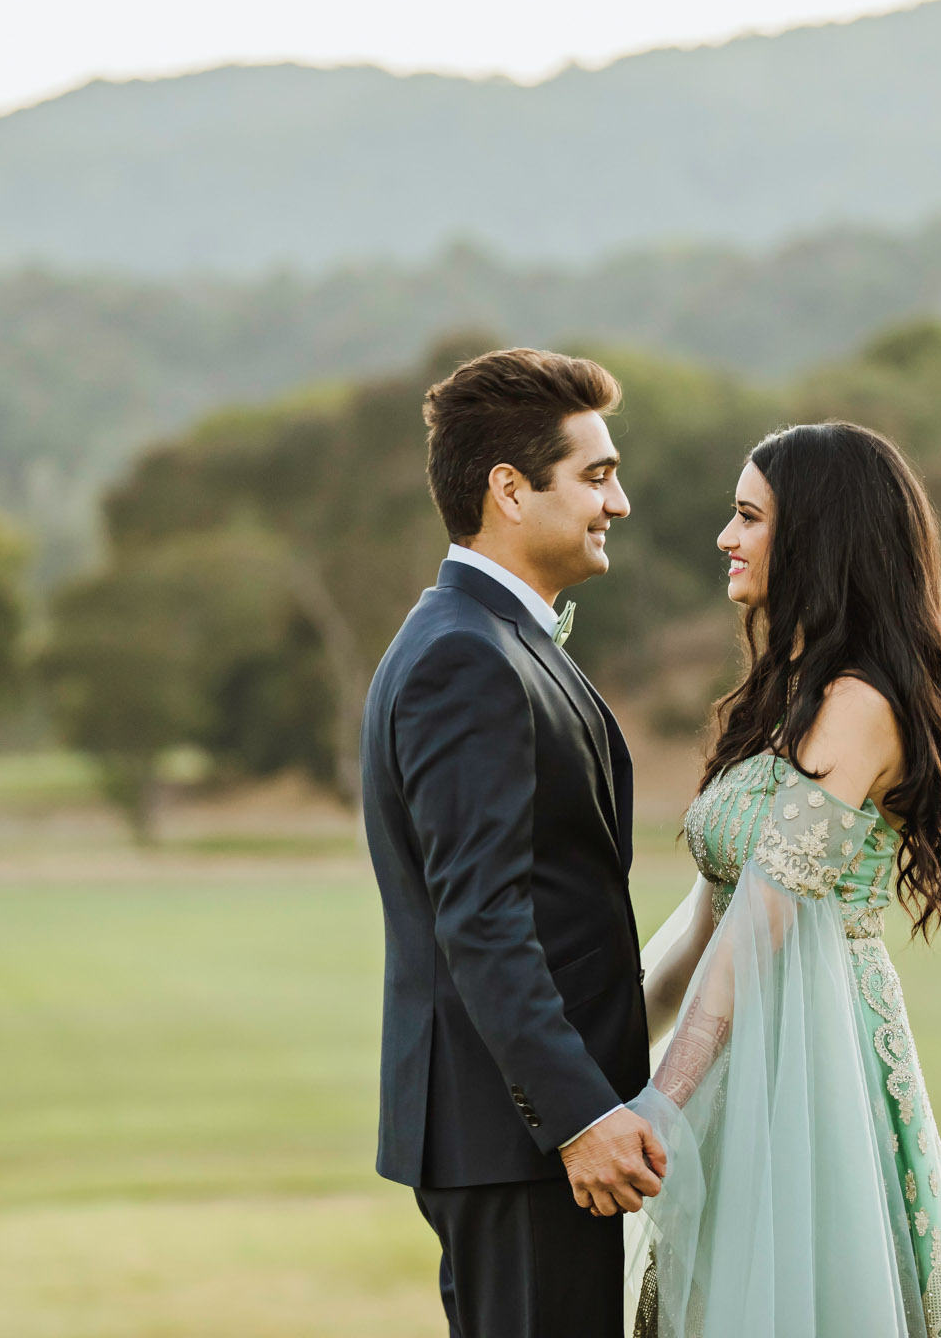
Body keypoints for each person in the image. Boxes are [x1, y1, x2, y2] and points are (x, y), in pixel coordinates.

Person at [625, 422, 941, 1338]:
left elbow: (762, 921)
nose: (726, 536)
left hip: (815, 1056)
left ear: (815, 540)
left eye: (749, 517)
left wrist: (659, 1104)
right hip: (739, 1047)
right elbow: (708, 914)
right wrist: (604, 1051)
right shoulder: (786, 693)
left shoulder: (862, 707)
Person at [362, 347, 667, 1338]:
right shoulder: (466, 656)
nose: (617, 502)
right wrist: (579, 1116)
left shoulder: (495, 638)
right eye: (596, 475)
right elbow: (483, 920)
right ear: (509, 490)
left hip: (520, 1136)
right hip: (518, 1138)